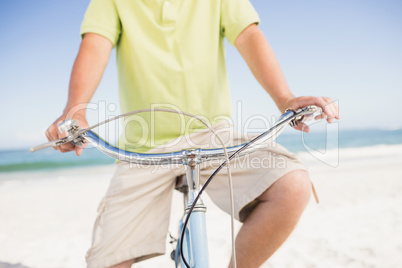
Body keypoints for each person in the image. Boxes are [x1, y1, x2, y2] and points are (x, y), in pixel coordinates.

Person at [45, 0, 339, 267]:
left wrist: (285, 99)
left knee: (292, 186)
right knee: (107, 260)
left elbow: (248, 36)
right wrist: (75, 111)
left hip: (212, 134)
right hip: (142, 147)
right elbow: (96, 45)